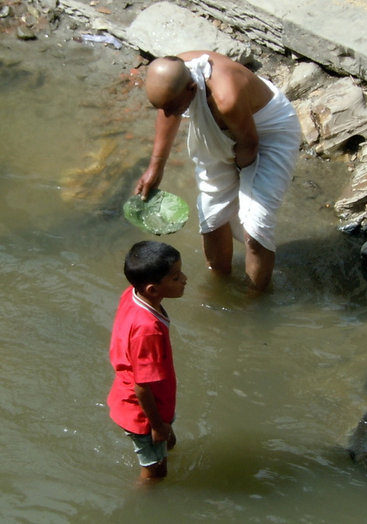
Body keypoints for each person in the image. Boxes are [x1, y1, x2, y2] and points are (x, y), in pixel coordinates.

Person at [135, 50, 301, 292]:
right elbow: (168, 109)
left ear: (192, 89)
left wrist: (243, 185)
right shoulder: (173, 73)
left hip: (265, 134)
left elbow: (249, 145)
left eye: (173, 107)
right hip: (222, 129)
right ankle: (219, 284)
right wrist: (155, 167)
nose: (170, 113)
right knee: (212, 214)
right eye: (163, 107)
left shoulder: (226, 98)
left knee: (256, 226)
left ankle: (254, 301)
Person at [107, 241, 187, 481]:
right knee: (155, 473)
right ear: (153, 290)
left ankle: (165, 440)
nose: (185, 279)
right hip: (142, 414)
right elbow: (142, 388)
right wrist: (157, 425)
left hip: (139, 399)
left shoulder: (132, 293)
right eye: (175, 277)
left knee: (168, 443)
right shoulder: (148, 330)